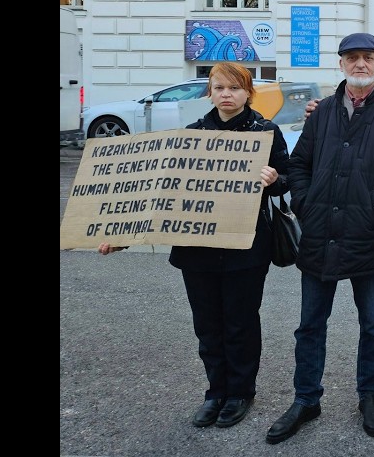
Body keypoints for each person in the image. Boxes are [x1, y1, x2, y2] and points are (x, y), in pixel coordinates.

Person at [98, 62, 290, 430]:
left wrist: (274, 179)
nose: (226, 94)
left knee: (240, 323)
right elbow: (161, 195)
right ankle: (215, 392)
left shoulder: (265, 132)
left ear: (248, 92)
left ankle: (240, 393)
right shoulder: (192, 135)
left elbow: (290, 176)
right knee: (207, 325)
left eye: (234, 88)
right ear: (210, 93)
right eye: (219, 88)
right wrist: (121, 237)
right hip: (197, 249)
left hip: (246, 247)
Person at [265, 33, 374, 444]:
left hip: (368, 234)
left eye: (367, 57)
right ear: (341, 64)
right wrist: (304, 202)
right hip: (320, 233)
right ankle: (306, 398)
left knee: (373, 324)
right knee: (310, 325)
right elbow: (299, 164)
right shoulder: (321, 113)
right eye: (352, 58)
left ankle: (369, 395)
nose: (360, 64)